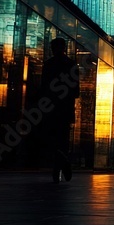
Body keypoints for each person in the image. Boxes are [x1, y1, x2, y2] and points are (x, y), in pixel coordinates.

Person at [40, 38, 81, 183]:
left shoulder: (48, 65)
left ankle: (59, 167)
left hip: (51, 109)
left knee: (53, 141)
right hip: (65, 109)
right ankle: (61, 165)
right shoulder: (71, 65)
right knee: (63, 141)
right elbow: (76, 92)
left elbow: (43, 88)